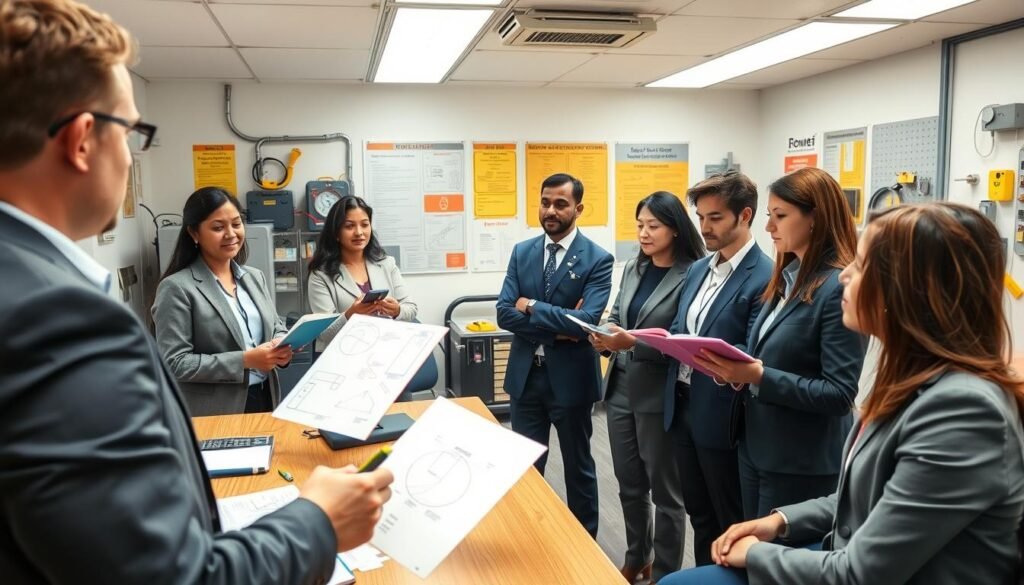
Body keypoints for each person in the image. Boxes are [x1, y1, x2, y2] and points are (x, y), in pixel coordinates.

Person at [0, 2, 392, 582]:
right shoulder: (56, 316)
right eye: (133, 132)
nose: (132, 155)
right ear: (83, 140)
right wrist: (319, 519)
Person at [662, 203, 1024, 585]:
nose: (846, 275)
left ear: (910, 289)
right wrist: (780, 522)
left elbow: (860, 574)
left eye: (862, 265)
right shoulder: (912, 380)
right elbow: (863, 500)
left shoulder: (964, 411)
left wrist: (755, 553)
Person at [693, 167, 865, 519]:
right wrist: (737, 372)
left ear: (816, 218)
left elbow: (839, 394)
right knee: (751, 559)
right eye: (769, 216)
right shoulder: (787, 278)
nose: (769, 227)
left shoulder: (837, 288)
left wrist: (758, 375)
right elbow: (767, 358)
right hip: (756, 447)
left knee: (778, 565)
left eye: (780, 217)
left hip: (800, 462)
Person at [588, 191, 704, 582]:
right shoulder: (634, 268)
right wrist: (603, 335)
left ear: (675, 229)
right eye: (640, 225)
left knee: (666, 494)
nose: (644, 233)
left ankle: (667, 573)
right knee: (629, 484)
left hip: (660, 394)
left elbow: (683, 336)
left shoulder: (694, 273)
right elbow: (620, 313)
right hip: (620, 388)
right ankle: (637, 555)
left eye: (653, 226)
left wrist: (632, 341)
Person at [664, 171, 773, 567]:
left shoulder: (765, 275)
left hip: (725, 415)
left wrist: (708, 356)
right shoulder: (698, 269)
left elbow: (757, 350)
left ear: (744, 216)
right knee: (700, 515)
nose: (704, 227)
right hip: (683, 406)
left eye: (715, 218)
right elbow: (681, 328)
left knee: (730, 520)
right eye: (701, 217)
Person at [496, 172, 614, 538]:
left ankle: (586, 546)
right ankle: (528, 540)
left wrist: (530, 305)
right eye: (545, 202)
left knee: (578, 468)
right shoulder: (523, 251)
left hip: (571, 381)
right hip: (525, 378)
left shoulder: (598, 259)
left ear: (578, 208)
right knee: (525, 468)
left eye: (560, 204)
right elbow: (503, 313)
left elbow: (588, 322)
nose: (550, 210)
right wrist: (562, 325)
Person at [153, 187, 292, 416]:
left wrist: (281, 343)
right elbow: (176, 363)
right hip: (216, 411)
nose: (231, 234)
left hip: (267, 397)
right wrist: (245, 360)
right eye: (218, 227)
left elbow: (275, 324)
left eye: (236, 224)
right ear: (194, 234)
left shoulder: (254, 277)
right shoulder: (176, 287)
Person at [307, 194, 417, 352]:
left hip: (385, 351)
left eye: (365, 225)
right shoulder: (320, 275)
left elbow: (411, 309)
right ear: (336, 233)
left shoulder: (386, 264)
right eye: (349, 226)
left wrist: (397, 310)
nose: (359, 232)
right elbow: (324, 333)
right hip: (342, 357)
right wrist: (350, 314)